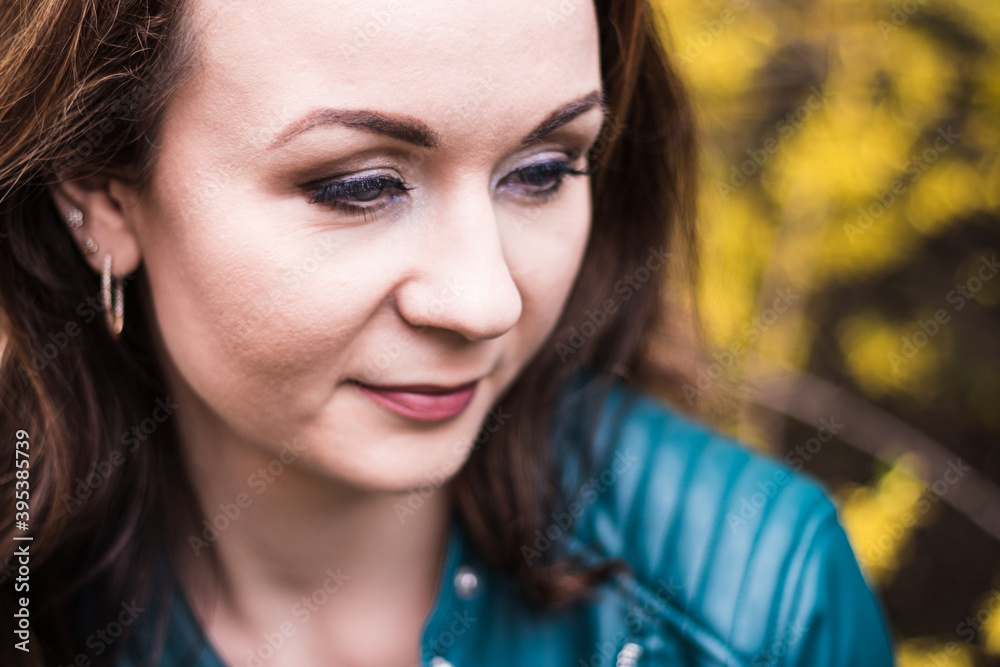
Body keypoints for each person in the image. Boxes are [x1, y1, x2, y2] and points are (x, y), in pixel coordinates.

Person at [0, 0, 894, 665]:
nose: (486, 301)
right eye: (359, 186)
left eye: (542, 171)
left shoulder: (757, 598)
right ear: (103, 197)